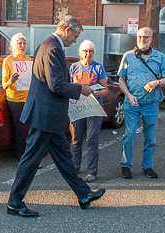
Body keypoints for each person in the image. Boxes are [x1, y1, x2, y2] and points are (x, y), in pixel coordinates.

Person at [7, 16, 106, 218]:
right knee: (31, 160)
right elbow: (56, 85)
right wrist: (81, 89)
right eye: (76, 36)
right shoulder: (53, 48)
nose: (75, 41)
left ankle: (84, 194)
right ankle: (15, 202)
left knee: (64, 158)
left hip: (48, 115)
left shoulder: (48, 45)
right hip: (45, 115)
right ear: (68, 30)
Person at [117, 27, 165, 179]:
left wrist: (156, 82)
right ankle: (126, 165)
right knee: (129, 134)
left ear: (151, 39)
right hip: (132, 103)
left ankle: (147, 166)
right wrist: (128, 95)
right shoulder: (128, 56)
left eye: (146, 37)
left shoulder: (160, 57)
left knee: (150, 136)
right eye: (140, 36)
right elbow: (121, 79)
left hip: (151, 103)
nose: (143, 39)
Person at [70, 39, 108, 183]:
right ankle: (75, 166)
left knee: (92, 139)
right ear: (80, 53)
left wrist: (97, 94)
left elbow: (106, 89)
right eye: (85, 51)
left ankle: (92, 172)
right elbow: (68, 85)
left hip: (94, 106)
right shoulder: (74, 67)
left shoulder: (98, 68)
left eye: (91, 51)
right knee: (75, 138)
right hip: (77, 106)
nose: (88, 54)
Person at [2, 32, 32, 159]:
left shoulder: (28, 59)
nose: (22, 45)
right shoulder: (8, 61)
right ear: (14, 45)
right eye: (19, 43)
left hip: (28, 97)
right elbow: (4, 84)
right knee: (19, 127)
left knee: (31, 127)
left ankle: (32, 154)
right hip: (14, 99)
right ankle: (21, 155)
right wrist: (11, 81)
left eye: (24, 43)